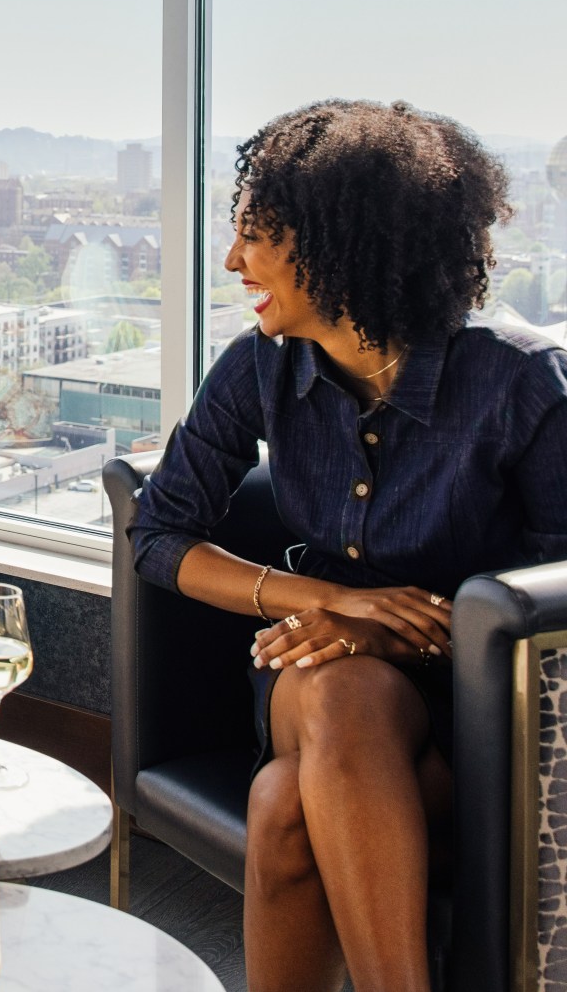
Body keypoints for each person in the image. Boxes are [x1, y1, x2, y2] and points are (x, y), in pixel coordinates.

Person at [132, 100, 567, 992]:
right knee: (338, 685)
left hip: (475, 718)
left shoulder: (519, 382)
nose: (232, 259)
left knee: (282, 803)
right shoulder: (259, 363)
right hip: (311, 676)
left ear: (344, 246)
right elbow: (157, 533)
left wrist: (401, 632)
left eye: (258, 234)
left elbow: (556, 618)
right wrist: (335, 605)